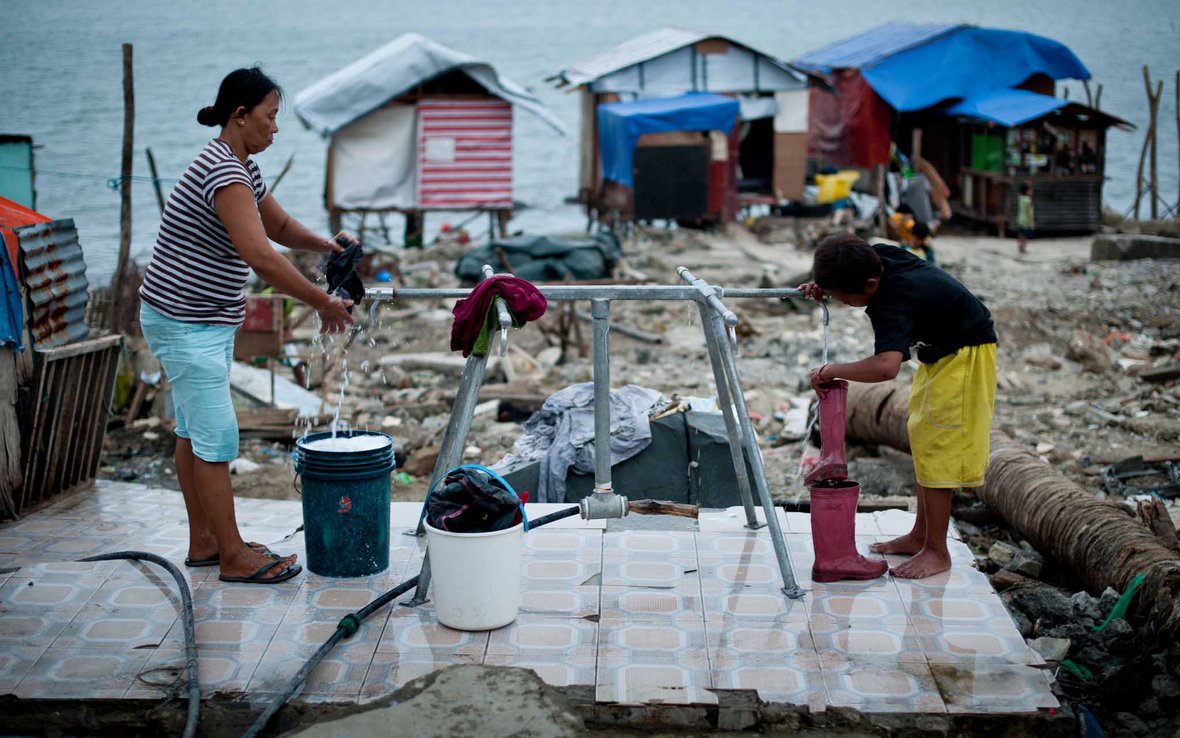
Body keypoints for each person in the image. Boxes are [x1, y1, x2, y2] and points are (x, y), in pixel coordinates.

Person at [138, 67, 355, 584]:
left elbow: (278, 226)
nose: (275, 128)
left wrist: (326, 245)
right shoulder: (226, 173)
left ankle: (205, 542)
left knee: (192, 431)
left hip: (192, 319)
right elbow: (260, 256)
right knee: (216, 437)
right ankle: (233, 555)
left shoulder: (242, 166)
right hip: (184, 321)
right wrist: (324, 302)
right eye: (270, 117)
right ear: (240, 115)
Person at [799, 233, 997, 579]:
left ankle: (937, 551)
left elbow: (886, 367)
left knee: (939, 446)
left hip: (965, 357)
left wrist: (830, 371)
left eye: (846, 300)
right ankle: (920, 534)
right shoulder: (877, 257)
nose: (845, 303)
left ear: (871, 285)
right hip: (942, 352)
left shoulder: (890, 301)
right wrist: (824, 287)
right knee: (922, 435)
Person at [1016, 182, 1035, 255]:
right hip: (1026, 220)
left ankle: (1020, 247)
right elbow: (1029, 213)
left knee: (1021, 234)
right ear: (1027, 192)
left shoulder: (1021, 198)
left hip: (1020, 219)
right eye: (1030, 190)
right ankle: (1023, 249)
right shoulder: (1028, 201)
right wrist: (1031, 223)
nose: (1032, 191)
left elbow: (1020, 192)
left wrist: (1026, 184)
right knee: (1026, 236)